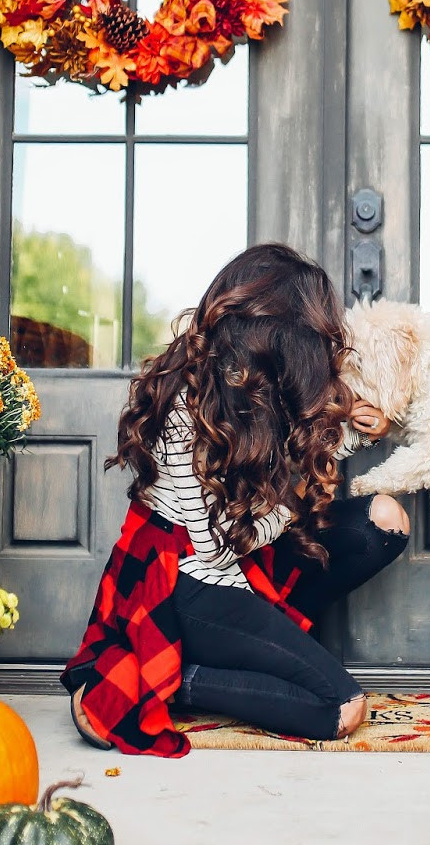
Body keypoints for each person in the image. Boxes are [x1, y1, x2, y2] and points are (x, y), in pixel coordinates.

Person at [61, 242, 410, 756]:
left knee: (385, 518)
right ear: (275, 334)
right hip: (189, 577)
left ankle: (274, 644)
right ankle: (172, 677)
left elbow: (308, 455)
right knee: (340, 708)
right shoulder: (184, 398)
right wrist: (294, 504)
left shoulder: (262, 382)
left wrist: (369, 431)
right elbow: (217, 548)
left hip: (244, 549)